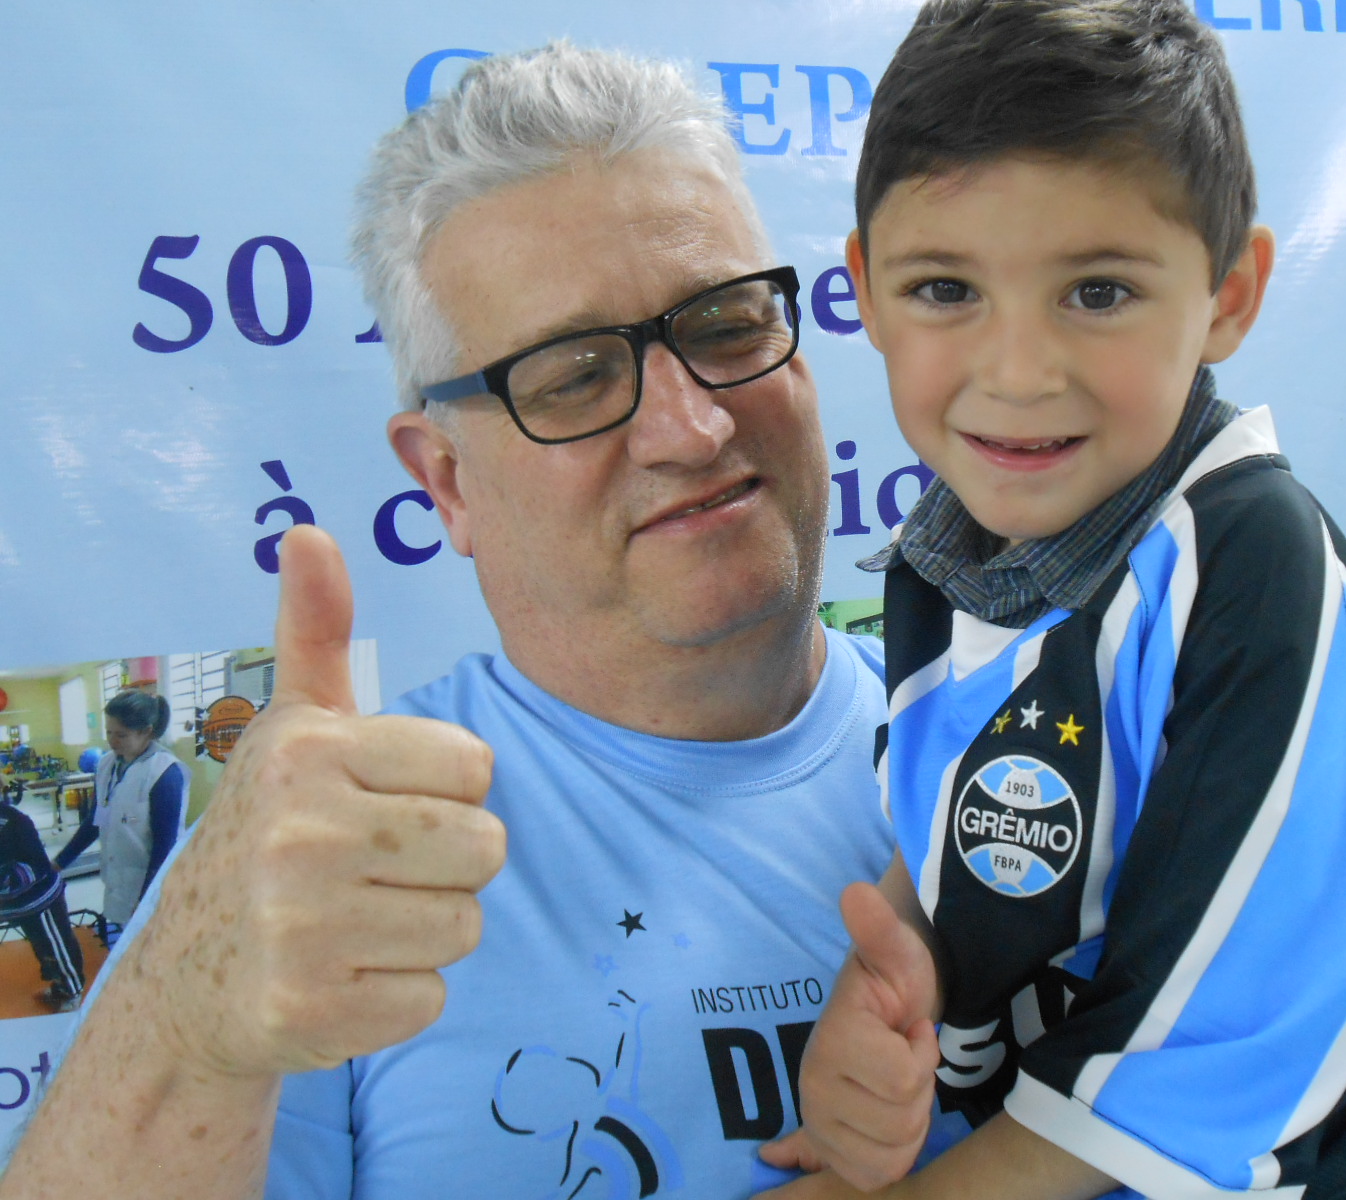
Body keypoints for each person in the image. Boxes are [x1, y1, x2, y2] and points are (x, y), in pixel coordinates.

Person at [0, 44, 917, 1200]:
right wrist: (185, 1018)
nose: (689, 427)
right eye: (576, 376)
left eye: (727, 323)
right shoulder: (334, 857)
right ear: (445, 480)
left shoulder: (1014, 735)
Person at [758, 2, 1346, 1197]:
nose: (1017, 371)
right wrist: (887, 994)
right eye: (944, 288)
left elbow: (1207, 1055)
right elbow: (976, 836)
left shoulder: (1250, 565)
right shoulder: (942, 557)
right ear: (861, 289)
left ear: (1228, 295)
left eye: (1099, 293)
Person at [52, 690, 188, 943]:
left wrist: (146, 899)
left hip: (152, 884)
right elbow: (95, 821)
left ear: (146, 731)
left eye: (121, 734)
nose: (113, 741)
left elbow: (165, 846)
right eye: (109, 733)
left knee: (157, 947)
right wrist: (60, 862)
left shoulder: (165, 773)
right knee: (130, 946)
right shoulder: (106, 765)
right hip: (119, 879)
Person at [0, 791, 84, 1013]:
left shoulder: (15, 822)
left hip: (39, 898)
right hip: (13, 902)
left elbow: (38, 866)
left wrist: (7, 878)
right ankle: (59, 985)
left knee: (55, 945)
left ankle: (72, 991)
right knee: (40, 946)